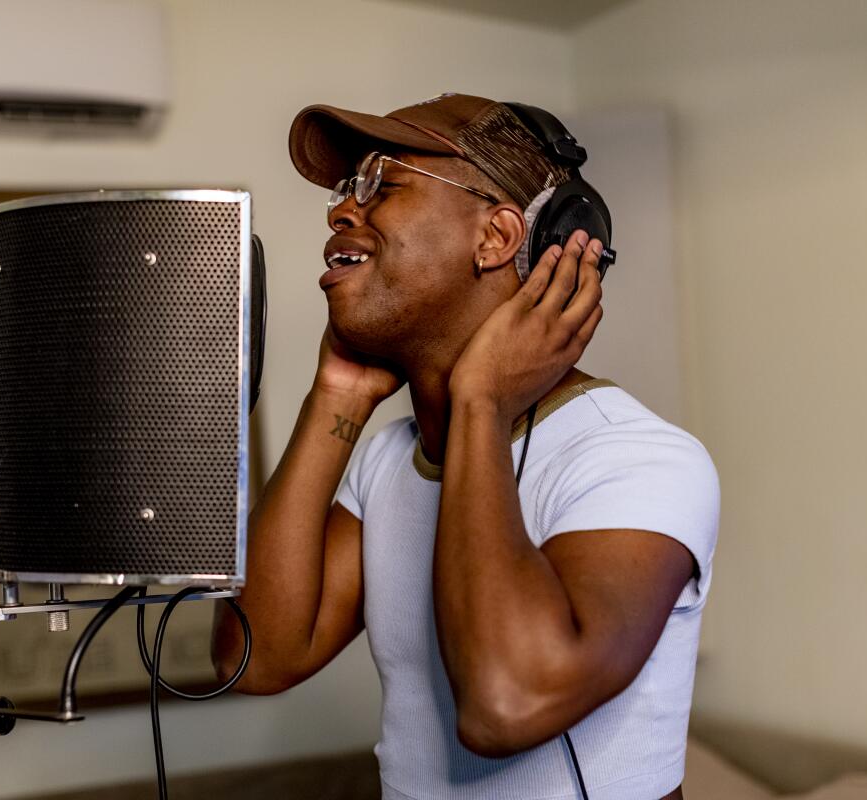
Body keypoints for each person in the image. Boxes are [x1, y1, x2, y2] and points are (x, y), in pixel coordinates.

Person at [214, 93, 720, 800]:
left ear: (498, 237)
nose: (340, 212)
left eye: (381, 185)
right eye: (344, 189)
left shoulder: (636, 458)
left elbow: (506, 704)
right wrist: (336, 396)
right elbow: (253, 659)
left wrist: (481, 401)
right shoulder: (391, 460)